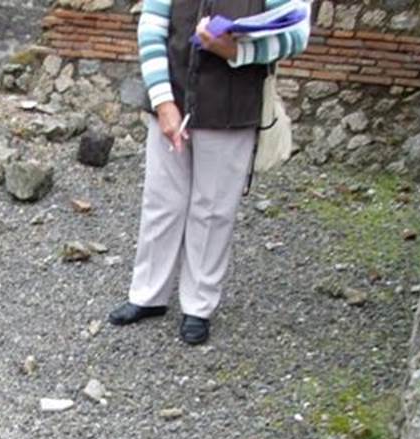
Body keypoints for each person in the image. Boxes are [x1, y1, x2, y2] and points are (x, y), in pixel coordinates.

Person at [108, 0, 310, 345]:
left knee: (213, 208)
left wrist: (234, 50)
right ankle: (147, 295)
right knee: (161, 200)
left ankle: (198, 305)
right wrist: (163, 102)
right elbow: (152, 26)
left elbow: (296, 35)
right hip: (171, 99)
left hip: (231, 105)